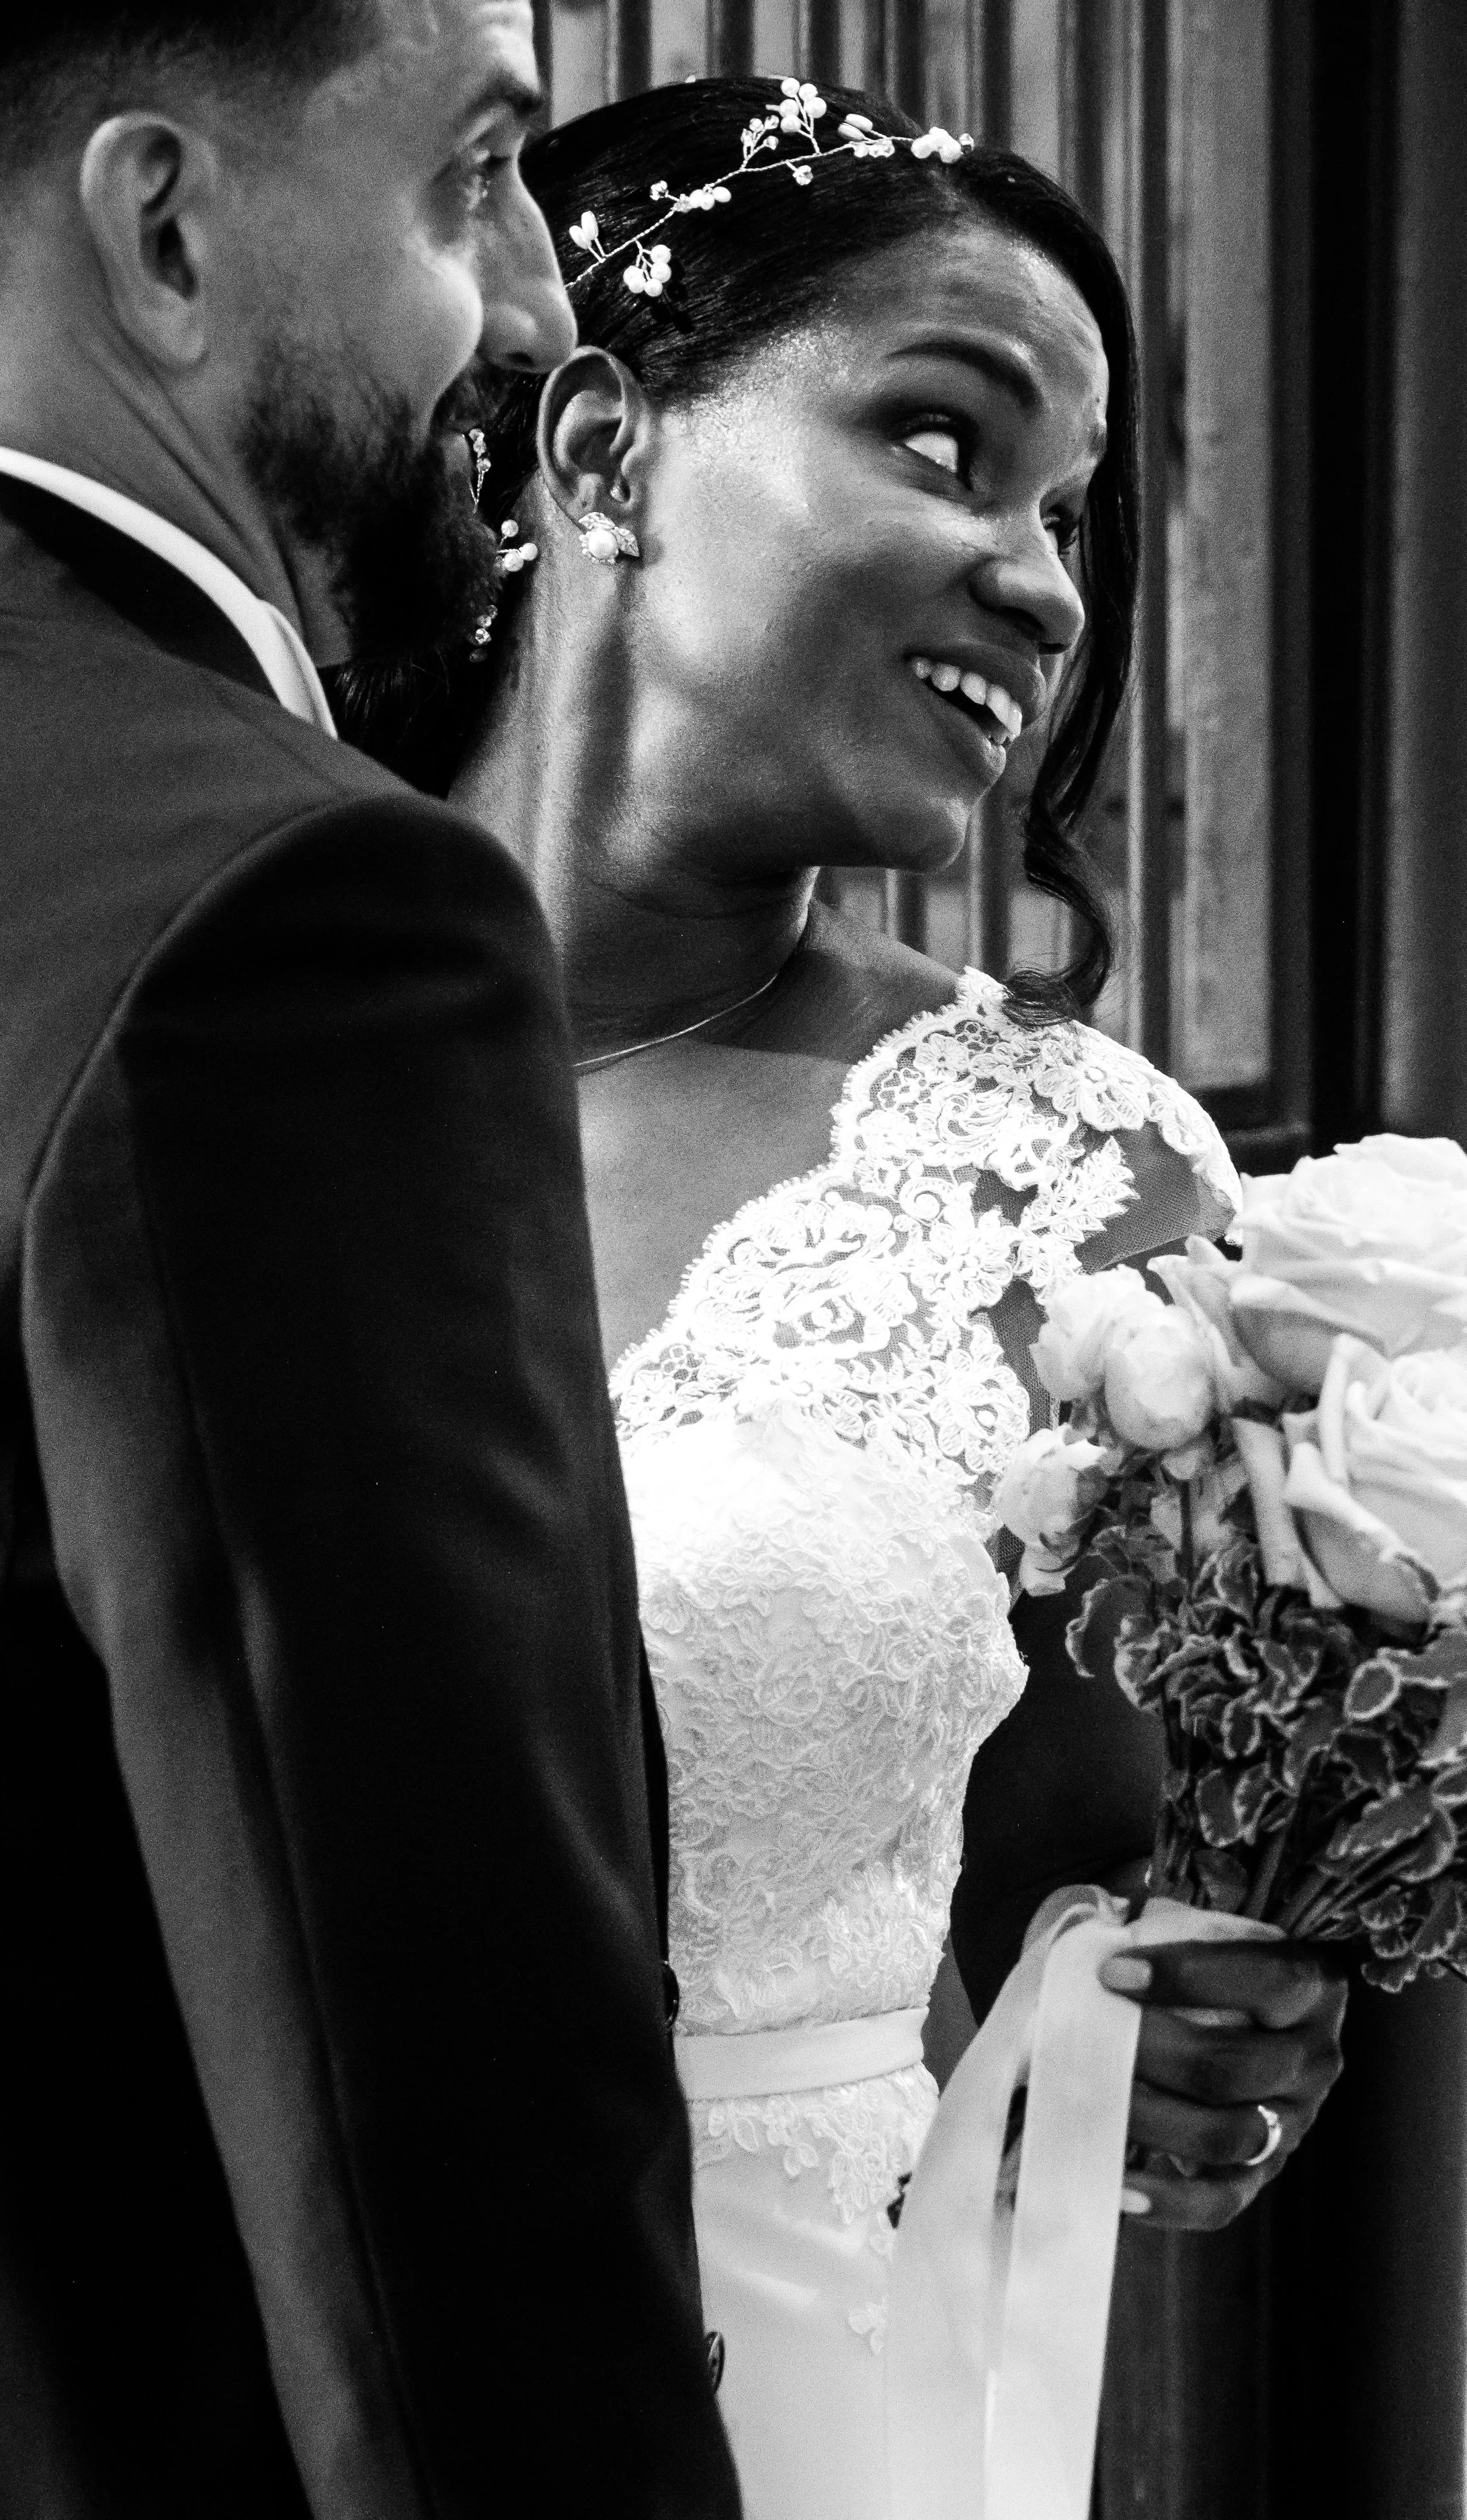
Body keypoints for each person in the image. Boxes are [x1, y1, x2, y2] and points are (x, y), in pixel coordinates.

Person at [355, 77, 1348, 2517]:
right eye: (940, 442)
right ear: (601, 447)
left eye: (1065, 514)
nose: (1041, 584)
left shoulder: (1064, 1175)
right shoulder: (179, 1037)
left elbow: (1083, 1906)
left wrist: (1188, 2035)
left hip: (787, 2414)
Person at [0, 9, 743, 2516]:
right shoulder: (299, 920)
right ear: (166, 232)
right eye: (473, 183)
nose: (538, 301)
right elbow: (434, 2128)